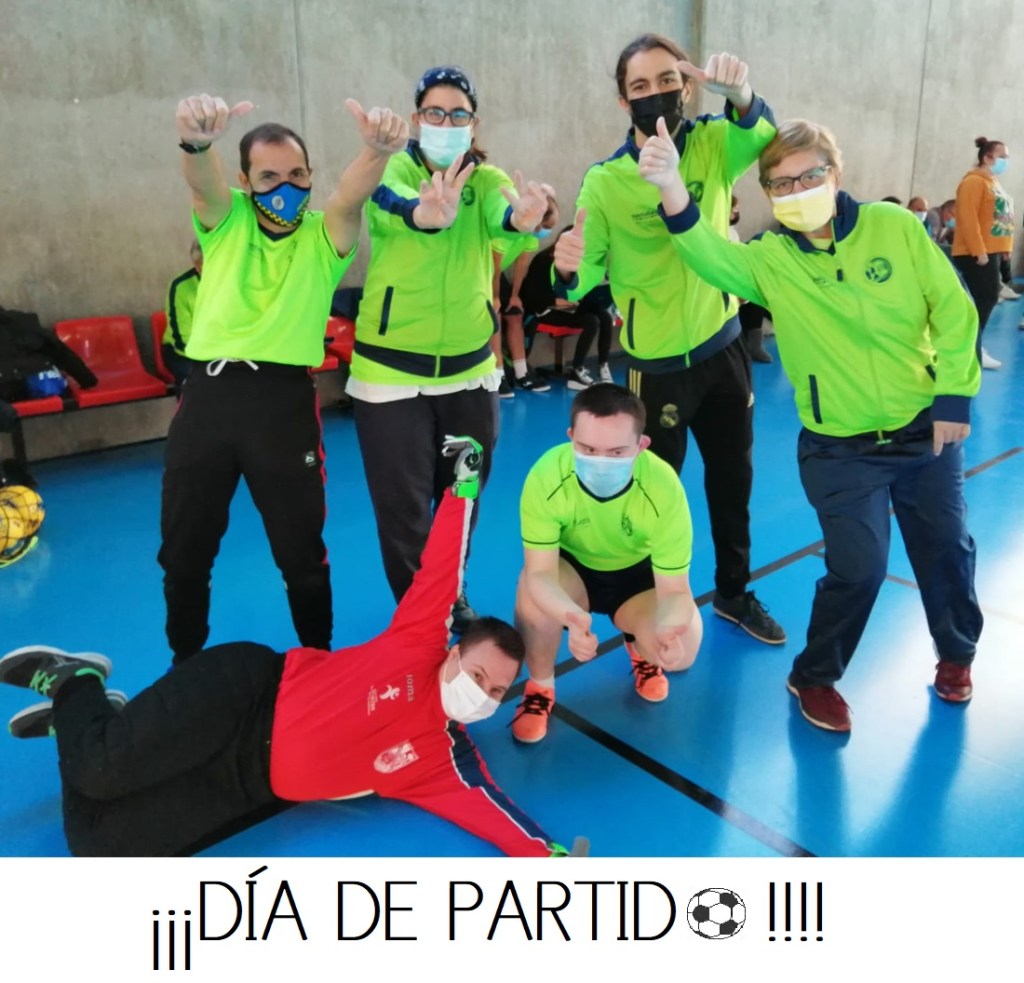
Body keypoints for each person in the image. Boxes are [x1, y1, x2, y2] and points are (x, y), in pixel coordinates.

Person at [1, 440, 575, 857]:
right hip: (247, 693)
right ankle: (76, 684)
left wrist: (549, 857)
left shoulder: (445, 764)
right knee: (100, 768)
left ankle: (92, 720)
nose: (482, 694)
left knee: (100, 846)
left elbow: (494, 813)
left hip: (251, 783)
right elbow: (442, 569)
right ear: (453, 655)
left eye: (496, 690)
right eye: (477, 674)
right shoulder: (419, 642)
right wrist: (462, 488)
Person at [638, 115, 982, 732]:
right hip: (838, 448)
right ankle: (815, 676)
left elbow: (953, 310)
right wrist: (671, 188)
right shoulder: (771, 260)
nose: (797, 191)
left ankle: (956, 654)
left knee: (947, 551)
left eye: (809, 176)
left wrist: (954, 394)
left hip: (922, 431)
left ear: (835, 173)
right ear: (768, 193)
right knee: (860, 567)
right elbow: (707, 254)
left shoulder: (894, 226)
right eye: (781, 183)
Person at [158, 93, 408, 664]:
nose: (285, 186)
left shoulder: (324, 237)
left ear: (311, 177)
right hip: (209, 400)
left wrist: (376, 150)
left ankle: (317, 660)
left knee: (301, 553)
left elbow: (350, 198)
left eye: (297, 175)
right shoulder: (226, 222)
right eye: (269, 176)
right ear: (245, 181)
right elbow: (203, 184)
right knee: (185, 552)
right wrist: (196, 143)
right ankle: (184, 665)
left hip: (282, 406)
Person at [552, 36, 785, 645]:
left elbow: (762, 136)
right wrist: (567, 270)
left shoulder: (711, 143)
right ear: (622, 100)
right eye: (639, 86)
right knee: (650, 495)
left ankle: (733, 593)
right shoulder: (607, 181)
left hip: (722, 348)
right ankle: (642, 609)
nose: (654, 94)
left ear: (685, 86)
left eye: (665, 81)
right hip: (653, 368)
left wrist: (742, 94)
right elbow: (583, 273)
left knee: (733, 482)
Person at [349, 66, 554, 630]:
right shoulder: (393, 169)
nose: (446, 122)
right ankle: (419, 614)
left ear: (473, 123)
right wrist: (426, 213)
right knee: (404, 506)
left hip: (469, 374)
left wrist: (525, 218)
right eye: (435, 112)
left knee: (463, 495)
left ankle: (451, 592)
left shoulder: (485, 180)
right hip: (390, 376)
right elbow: (391, 203)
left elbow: (505, 218)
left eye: (458, 113)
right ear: (417, 118)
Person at [511, 384, 702, 743]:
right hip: (572, 572)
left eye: (616, 452)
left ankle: (640, 647)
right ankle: (540, 687)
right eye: (587, 449)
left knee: (685, 650)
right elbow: (539, 573)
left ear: (641, 445)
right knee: (532, 599)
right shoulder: (547, 475)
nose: (600, 462)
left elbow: (676, 590)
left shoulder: (663, 487)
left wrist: (668, 627)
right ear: (571, 437)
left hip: (637, 580)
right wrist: (570, 616)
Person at [514, 229, 616, 389]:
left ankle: (603, 366)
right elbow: (532, 296)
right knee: (591, 321)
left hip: (569, 307)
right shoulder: (544, 261)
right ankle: (577, 371)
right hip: (545, 311)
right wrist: (560, 302)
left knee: (605, 317)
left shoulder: (577, 263)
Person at [952, 135, 1014, 370]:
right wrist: (979, 251)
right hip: (976, 253)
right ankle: (971, 348)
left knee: (987, 298)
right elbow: (968, 219)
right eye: (1002, 156)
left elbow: (1000, 217)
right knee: (983, 299)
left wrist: (1005, 248)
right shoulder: (973, 182)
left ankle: (974, 344)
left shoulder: (993, 183)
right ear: (987, 158)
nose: (1006, 161)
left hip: (992, 251)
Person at [161, 239, 203, 394]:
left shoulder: (235, 283)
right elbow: (182, 338)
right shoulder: (181, 286)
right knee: (194, 381)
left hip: (225, 350)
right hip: (182, 352)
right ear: (198, 265)